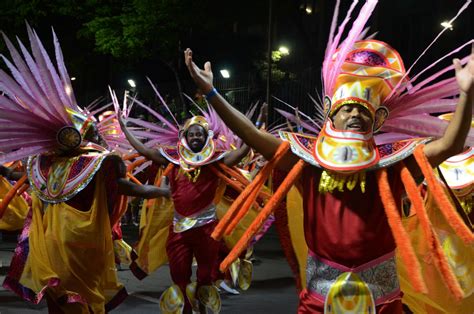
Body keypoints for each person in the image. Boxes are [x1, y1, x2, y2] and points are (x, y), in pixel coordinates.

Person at [184, 4, 473, 313]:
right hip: (319, 298)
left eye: (364, 110)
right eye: (347, 108)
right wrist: (213, 93)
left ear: (378, 119)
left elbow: (450, 145)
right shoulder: (307, 161)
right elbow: (255, 137)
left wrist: (467, 94)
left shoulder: (393, 163)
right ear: (329, 111)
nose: (354, 114)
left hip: (383, 299)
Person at [0, 27, 170, 313]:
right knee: (61, 302)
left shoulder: (95, 160)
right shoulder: (44, 163)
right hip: (56, 247)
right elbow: (22, 178)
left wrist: (159, 191)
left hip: (81, 247)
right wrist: (5, 172)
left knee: (78, 301)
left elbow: (126, 185)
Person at [119, 112, 250, 314]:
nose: (196, 137)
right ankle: (186, 309)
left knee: (206, 277)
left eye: (199, 134)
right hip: (178, 230)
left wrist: (251, 132)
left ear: (206, 137)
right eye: (192, 134)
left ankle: (202, 306)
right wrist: (125, 129)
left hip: (208, 231)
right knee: (179, 276)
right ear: (185, 137)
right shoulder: (173, 159)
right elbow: (144, 150)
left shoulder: (214, 160)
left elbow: (240, 154)